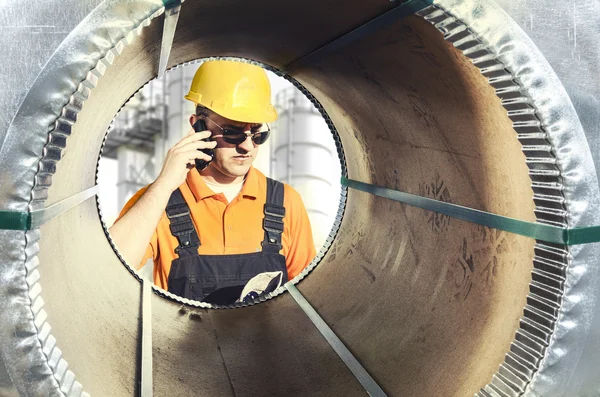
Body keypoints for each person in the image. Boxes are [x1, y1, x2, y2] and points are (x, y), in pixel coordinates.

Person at [109, 60, 316, 304]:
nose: (247, 146)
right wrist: (165, 184)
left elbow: (307, 300)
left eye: (257, 133)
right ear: (197, 125)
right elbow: (107, 273)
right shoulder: (158, 201)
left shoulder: (285, 201)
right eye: (232, 132)